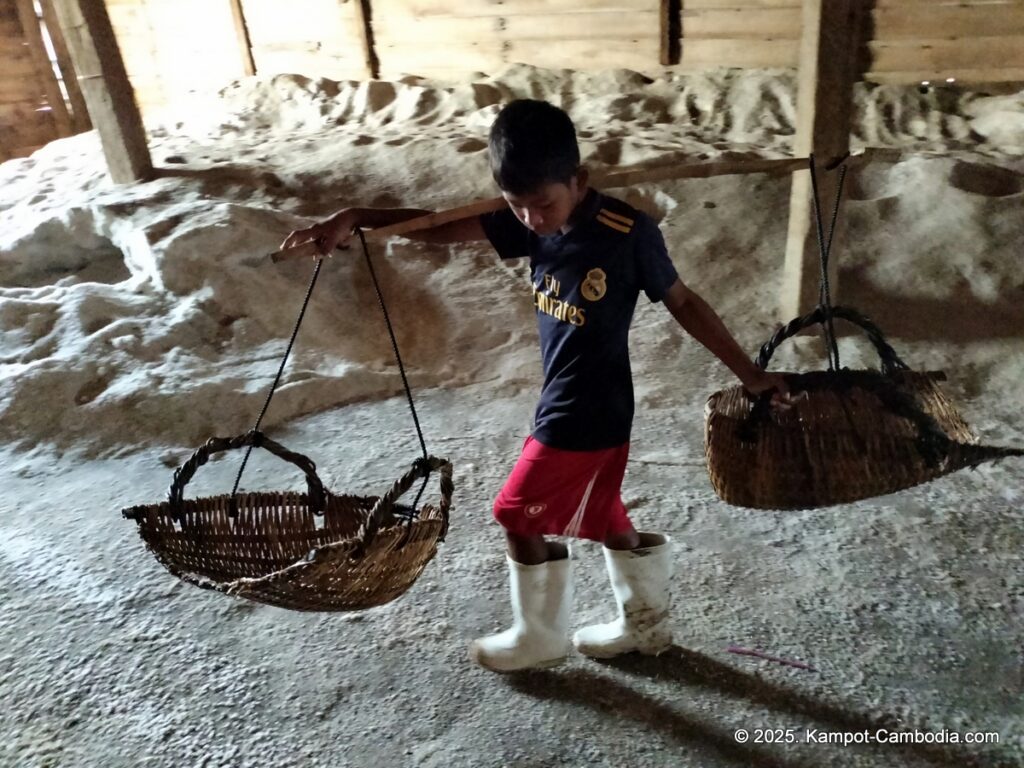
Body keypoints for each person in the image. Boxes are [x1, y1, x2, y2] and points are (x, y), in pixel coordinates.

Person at [281, 99, 790, 673]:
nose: (531, 220)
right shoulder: (531, 218)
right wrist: (356, 216)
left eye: (543, 204)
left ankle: (539, 636)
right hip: (564, 398)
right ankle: (646, 627)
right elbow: (440, 226)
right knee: (602, 512)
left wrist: (750, 375)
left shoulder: (626, 234)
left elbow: (686, 303)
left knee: (514, 513)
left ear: (580, 180)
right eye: (515, 207)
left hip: (588, 409)